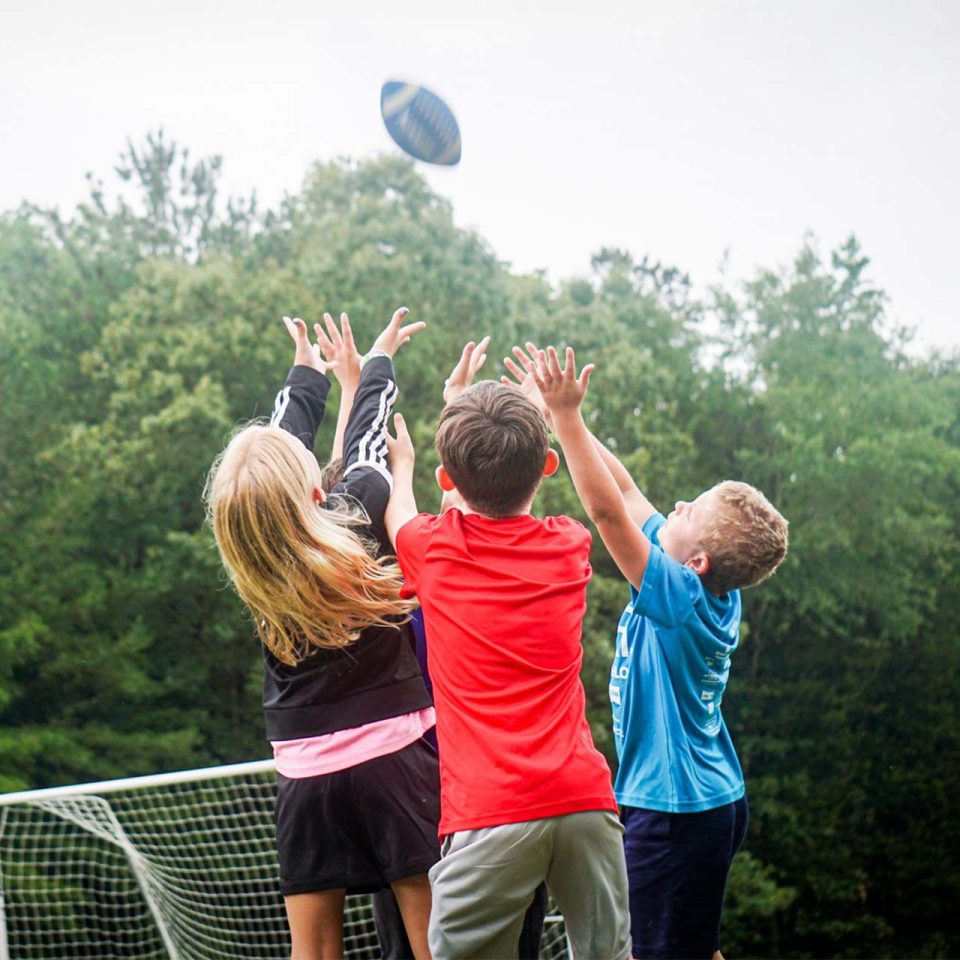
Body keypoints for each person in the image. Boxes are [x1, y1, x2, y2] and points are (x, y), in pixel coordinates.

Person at [513, 343, 789, 960]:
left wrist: (568, 418)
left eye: (690, 510)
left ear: (696, 563)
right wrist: (559, 417)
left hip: (674, 815)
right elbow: (628, 487)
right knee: (692, 946)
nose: (677, 506)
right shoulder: (707, 587)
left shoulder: (678, 595)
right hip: (710, 801)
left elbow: (609, 513)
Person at [383, 341, 632, 960]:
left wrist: (406, 462)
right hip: (584, 802)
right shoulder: (569, 545)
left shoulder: (430, 551)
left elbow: (411, 516)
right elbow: (590, 507)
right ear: (547, 467)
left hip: (490, 815)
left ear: (446, 479)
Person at [205, 309, 440, 960]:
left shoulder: (252, 555)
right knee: (431, 941)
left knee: (312, 951)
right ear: (313, 485)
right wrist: (378, 364)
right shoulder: (358, 511)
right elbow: (366, 443)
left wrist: (307, 376)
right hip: (398, 759)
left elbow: (268, 475)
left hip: (306, 776)